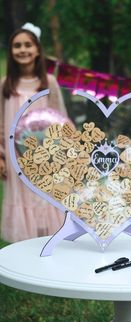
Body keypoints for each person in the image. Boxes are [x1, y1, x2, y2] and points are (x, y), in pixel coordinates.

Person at [0, 23, 66, 242]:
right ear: (11, 52)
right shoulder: (5, 85)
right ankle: (23, 254)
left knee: (43, 201)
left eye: (28, 45)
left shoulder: (49, 83)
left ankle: (45, 253)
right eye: (17, 46)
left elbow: (61, 123)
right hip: (14, 158)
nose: (23, 50)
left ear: (37, 49)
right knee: (22, 199)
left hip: (45, 158)